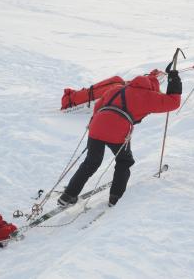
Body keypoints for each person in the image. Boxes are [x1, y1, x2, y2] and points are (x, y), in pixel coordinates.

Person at [58, 69, 182, 207]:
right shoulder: (148, 96)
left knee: (91, 162)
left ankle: (68, 195)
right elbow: (173, 103)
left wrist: (95, 123)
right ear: (152, 87)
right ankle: (115, 197)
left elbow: (98, 106)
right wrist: (174, 81)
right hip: (118, 131)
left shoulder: (117, 88)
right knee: (124, 161)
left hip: (96, 125)